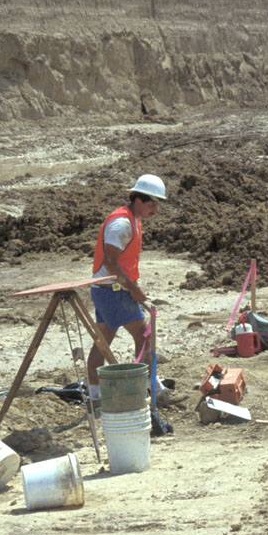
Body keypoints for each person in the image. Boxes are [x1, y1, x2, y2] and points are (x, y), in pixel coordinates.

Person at [86, 174, 170, 406]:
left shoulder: (131, 219)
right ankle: (154, 389)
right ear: (137, 199)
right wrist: (135, 291)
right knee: (144, 337)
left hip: (107, 290)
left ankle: (95, 396)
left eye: (157, 204)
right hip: (113, 291)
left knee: (102, 344)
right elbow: (111, 263)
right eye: (151, 204)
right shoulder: (121, 223)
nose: (155, 209)